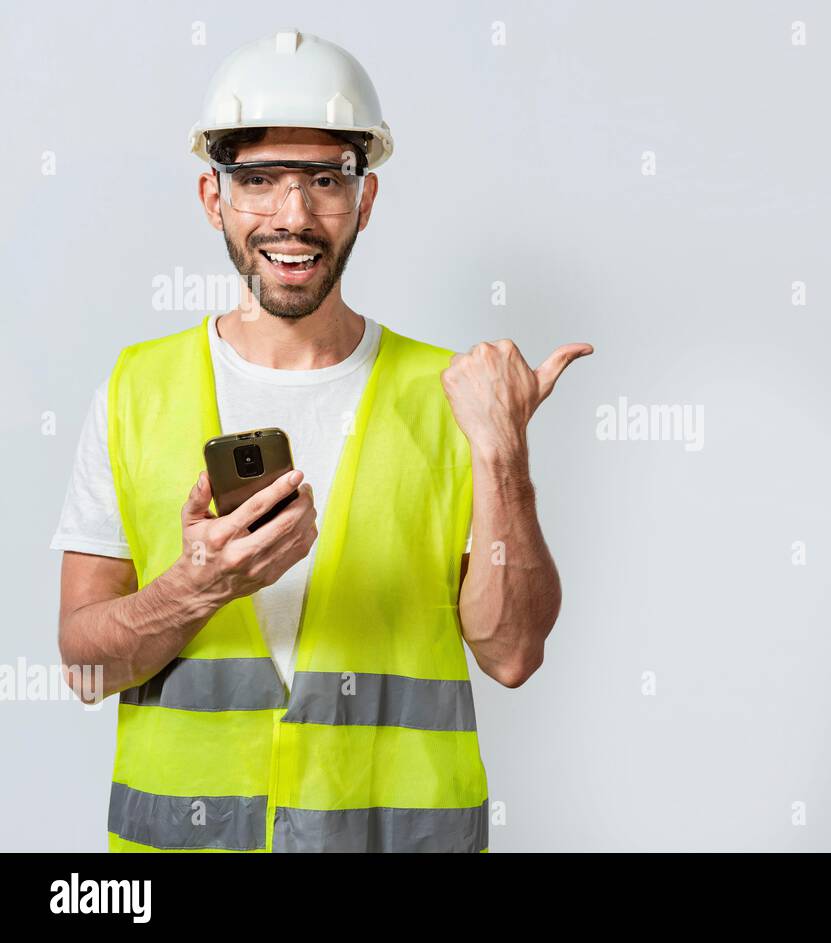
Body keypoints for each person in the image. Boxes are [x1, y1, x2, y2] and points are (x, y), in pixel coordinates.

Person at [48, 29, 591, 853]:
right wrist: (197, 585)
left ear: (364, 201)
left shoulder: (453, 396)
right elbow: (85, 667)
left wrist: (502, 451)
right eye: (258, 180)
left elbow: (513, 653)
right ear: (213, 198)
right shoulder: (135, 391)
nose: (293, 217)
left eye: (325, 181)